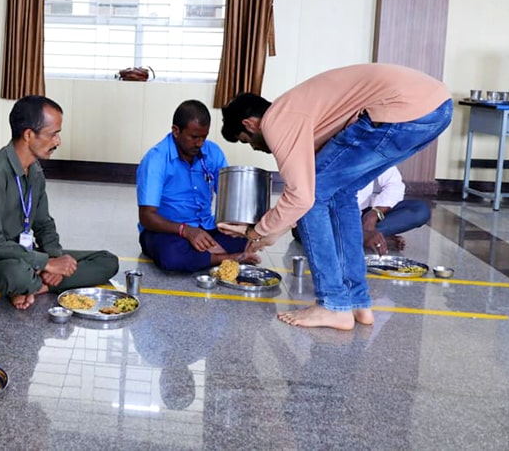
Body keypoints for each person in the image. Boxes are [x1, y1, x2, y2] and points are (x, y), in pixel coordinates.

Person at [219, 63, 452, 331]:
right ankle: (357, 301)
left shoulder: (277, 119)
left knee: (316, 191)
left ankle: (332, 304)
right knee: (341, 192)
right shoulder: (301, 115)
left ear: (249, 124)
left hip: (403, 109)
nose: (255, 147)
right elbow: (310, 192)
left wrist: (257, 231)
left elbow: (302, 196)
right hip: (436, 108)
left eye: (247, 140)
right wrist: (268, 232)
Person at [0, 95, 119, 310]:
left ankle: (34, 286)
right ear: (28, 135)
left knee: (107, 261)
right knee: (17, 274)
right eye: (53, 134)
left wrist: (54, 261)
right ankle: (27, 283)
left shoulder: (35, 170)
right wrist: (46, 263)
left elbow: (44, 225)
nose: (58, 142)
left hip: (27, 256)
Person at [136, 99, 257, 272]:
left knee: (246, 237)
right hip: (167, 231)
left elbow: (228, 197)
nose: (200, 143)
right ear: (176, 131)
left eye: (204, 137)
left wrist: (243, 227)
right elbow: (147, 217)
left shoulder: (213, 152)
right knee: (171, 256)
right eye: (194, 137)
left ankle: (205, 255)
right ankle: (226, 258)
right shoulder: (156, 160)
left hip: (206, 226)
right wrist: (186, 231)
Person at [290, 165, 432, 254]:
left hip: (362, 214)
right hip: (326, 216)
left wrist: (372, 216)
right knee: (304, 231)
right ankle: (364, 237)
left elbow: (394, 185)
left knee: (419, 210)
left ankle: (363, 235)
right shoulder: (323, 145)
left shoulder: (373, 145)